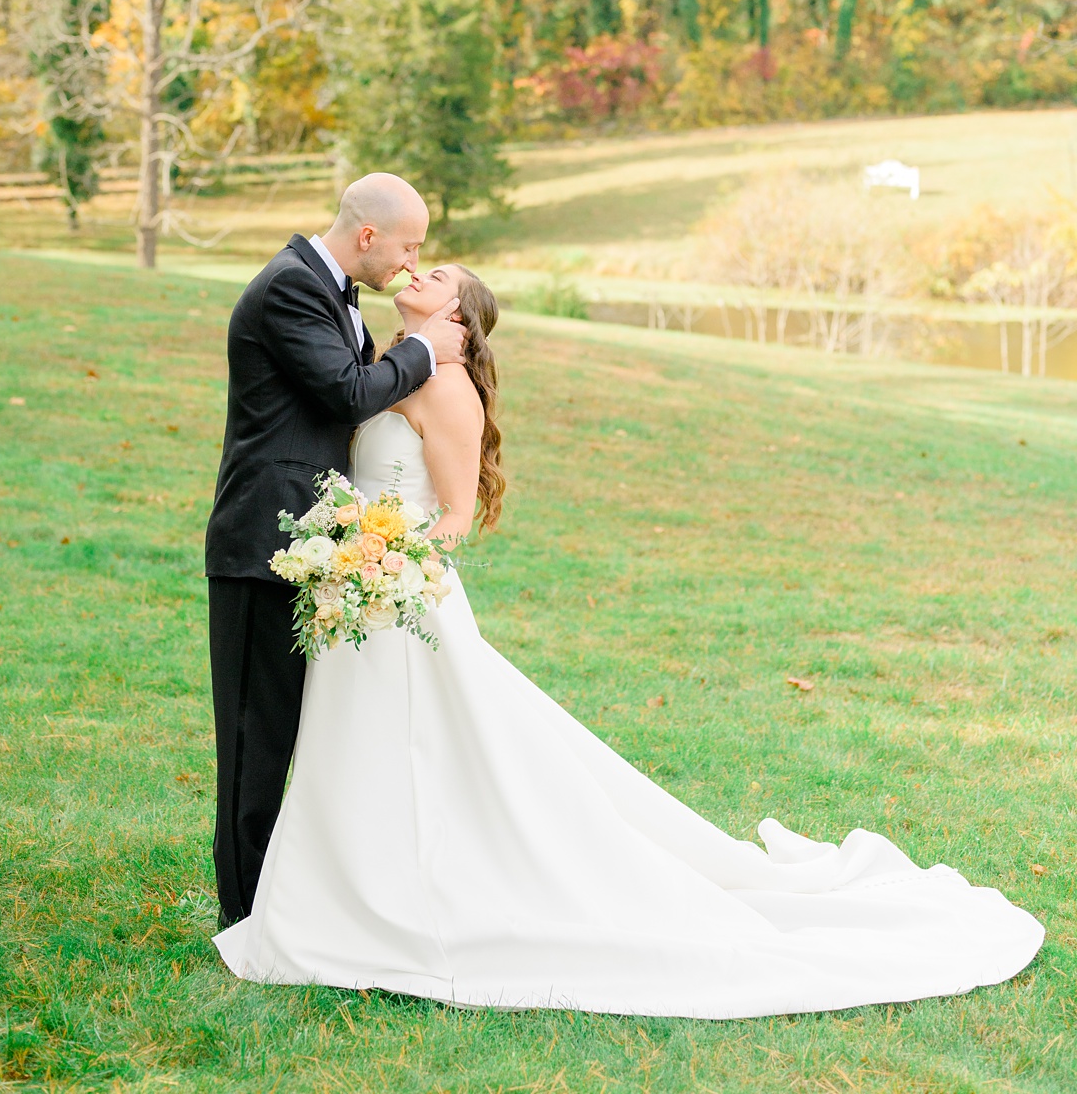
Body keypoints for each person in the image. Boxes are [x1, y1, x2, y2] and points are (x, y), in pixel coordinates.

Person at [216, 265, 1045, 1014]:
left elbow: (457, 516)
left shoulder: (451, 388)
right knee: (355, 748)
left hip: (399, 597)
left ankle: (403, 900)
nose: (418, 269)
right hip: (354, 593)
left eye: (438, 273)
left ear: (460, 322)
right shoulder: (392, 365)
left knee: (425, 750)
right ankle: (343, 890)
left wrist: (387, 559)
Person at [204, 173, 466, 929]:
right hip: (263, 544)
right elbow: (347, 394)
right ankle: (246, 916)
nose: (414, 264)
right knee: (256, 742)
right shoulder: (290, 288)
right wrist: (422, 347)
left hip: (309, 548)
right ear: (367, 237)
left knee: (293, 733)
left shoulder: (329, 292)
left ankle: (289, 899)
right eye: (409, 246)